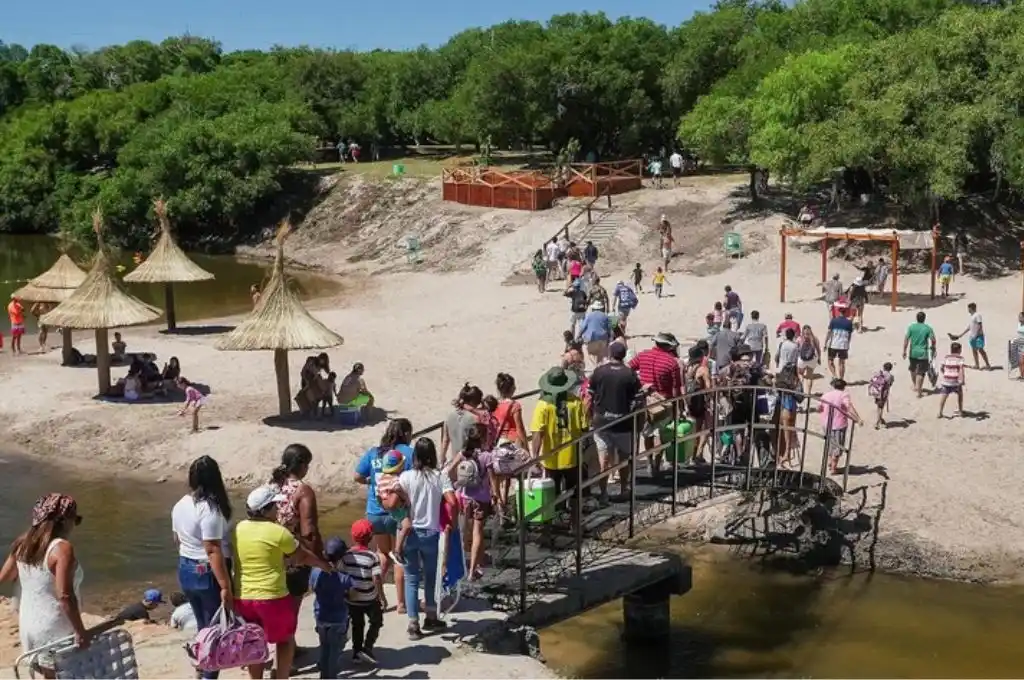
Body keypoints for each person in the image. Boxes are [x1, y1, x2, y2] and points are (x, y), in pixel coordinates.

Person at [234, 485, 333, 680]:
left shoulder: (238, 529)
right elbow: (302, 557)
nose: (278, 510)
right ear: (264, 510)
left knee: (255, 642)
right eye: (274, 506)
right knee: (285, 640)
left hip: (243, 597)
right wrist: (325, 566)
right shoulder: (278, 532)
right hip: (272, 597)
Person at [0, 493, 88, 676]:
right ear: (63, 520)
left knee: (48, 675)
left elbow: (5, 576)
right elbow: (64, 596)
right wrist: (80, 631)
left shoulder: (23, 543)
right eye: (75, 519)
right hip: (56, 626)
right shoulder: (61, 548)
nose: (75, 525)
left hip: (29, 624)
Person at [171, 456, 233, 678]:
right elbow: (212, 549)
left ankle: (201, 665)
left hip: (186, 568)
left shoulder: (180, 505)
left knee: (202, 626)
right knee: (215, 632)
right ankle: (208, 674)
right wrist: (225, 585)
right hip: (207, 571)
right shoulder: (210, 509)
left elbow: (176, 540)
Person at [397, 437, 459, 640]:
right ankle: (431, 616)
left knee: (411, 579)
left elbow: (396, 499)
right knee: (431, 578)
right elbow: (452, 501)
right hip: (431, 533)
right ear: (432, 455)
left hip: (410, 533)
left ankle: (413, 624)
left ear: (415, 456)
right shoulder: (440, 477)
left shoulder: (406, 477)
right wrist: (452, 522)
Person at [353, 419, 413, 613]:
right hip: (397, 512)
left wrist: (371, 481)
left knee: (382, 554)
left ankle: (376, 598)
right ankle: (402, 603)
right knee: (399, 556)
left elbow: (357, 476)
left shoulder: (374, 452)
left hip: (375, 511)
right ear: (406, 434)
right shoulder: (409, 453)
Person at [271, 444, 323, 613]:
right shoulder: (302, 490)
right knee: (291, 610)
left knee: (274, 608)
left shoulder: (272, 485)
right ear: (301, 465)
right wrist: (318, 559)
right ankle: (287, 639)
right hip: (293, 558)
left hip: (270, 554)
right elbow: (309, 532)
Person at [530, 367, 588, 515]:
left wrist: (535, 456)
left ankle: (550, 528)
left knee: (551, 495)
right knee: (574, 493)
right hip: (572, 456)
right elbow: (584, 427)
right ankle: (575, 524)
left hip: (551, 458)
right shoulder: (576, 402)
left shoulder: (543, 405)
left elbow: (537, 433)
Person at [588, 342, 642, 505]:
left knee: (603, 459)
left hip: (602, 422)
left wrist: (590, 416)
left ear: (610, 354)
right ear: (624, 355)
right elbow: (637, 399)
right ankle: (624, 489)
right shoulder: (629, 374)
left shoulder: (599, 372)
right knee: (624, 458)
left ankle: (604, 493)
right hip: (623, 423)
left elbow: (590, 396)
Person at [629, 333, 683, 476]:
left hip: (645, 401)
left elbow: (629, 369)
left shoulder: (643, 355)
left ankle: (649, 461)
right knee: (660, 434)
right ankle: (656, 465)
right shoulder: (672, 362)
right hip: (664, 401)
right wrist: (680, 406)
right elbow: (676, 387)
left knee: (647, 434)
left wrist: (640, 384)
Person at [448, 423, 496, 580]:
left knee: (464, 532)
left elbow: (449, 470)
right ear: (482, 438)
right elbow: (492, 479)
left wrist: (453, 484)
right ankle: (472, 571)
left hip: (464, 497)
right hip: (481, 499)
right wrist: (497, 496)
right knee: (477, 533)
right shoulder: (487, 456)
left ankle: (461, 565)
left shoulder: (464, 453)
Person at [310, 537, 354, 680]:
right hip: (338, 619)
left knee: (324, 646)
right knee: (334, 650)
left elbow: (312, 587)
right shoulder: (344, 578)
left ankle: (323, 674)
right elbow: (351, 594)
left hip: (320, 616)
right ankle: (331, 676)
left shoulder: (315, 572)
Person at [341, 520, 384, 665]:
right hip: (369, 597)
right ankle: (367, 647)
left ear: (352, 537)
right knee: (376, 621)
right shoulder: (372, 557)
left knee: (357, 625)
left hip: (352, 598)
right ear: (371, 537)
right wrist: (381, 596)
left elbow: (342, 574)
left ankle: (356, 652)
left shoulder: (346, 555)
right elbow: (376, 578)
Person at [493, 373, 528, 513]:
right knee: (518, 475)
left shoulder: (494, 405)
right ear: (512, 388)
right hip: (513, 442)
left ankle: (501, 506)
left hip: (498, 443)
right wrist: (526, 447)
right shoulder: (515, 405)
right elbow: (520, 428)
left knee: (500, 476)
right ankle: (515, 508)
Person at [374, 449, 411, 567]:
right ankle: (397, 549)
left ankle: (397, 547)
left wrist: (382, 504)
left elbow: (377, 494)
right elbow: (397, 489)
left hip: (388, 509)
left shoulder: (381, 479)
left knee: (400, 525)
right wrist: (406, 498)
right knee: (407, 525)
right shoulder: (395, 479)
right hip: (398, 508)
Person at [819, 379, 863, 474]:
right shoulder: (844, 395)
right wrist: (858, 418)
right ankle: (834, 468)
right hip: (839, 424)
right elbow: (849, 407)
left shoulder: (826, 395)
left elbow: (819, 408)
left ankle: (830, 462)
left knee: (830, 443)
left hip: (826, 423)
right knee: (838, 446)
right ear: (843, 387)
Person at [441, 384, 484, 465]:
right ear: (473, 401)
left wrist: (442, 459)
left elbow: (445, 441)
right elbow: (482, 444)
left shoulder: (449, 416)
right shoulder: (475, 419)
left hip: (454, 463)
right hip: (471, 464)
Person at [902, 311, 936, 398]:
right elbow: (933, 339)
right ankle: (919, 392)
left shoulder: (911, 327)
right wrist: (933, 347)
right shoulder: (928, 328)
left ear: (916, 318)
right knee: (920, 373)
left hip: (913, 352)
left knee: (912, 369)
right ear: (924, 318)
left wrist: (904, 350)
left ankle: (915, 386)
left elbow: (906, 339)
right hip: (923, 353)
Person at [953, 302, 991, 370]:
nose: (968, 310)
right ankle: (977, 365)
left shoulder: (977, 315)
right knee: (974, 350)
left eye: (969, 308)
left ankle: (988, 365)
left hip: (978, 336)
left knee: (981, 350)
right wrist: (961, 334)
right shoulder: (972, 316)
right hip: (973, 336)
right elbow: (969, 327)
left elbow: (980, 325)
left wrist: (976, 335)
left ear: (971, 308)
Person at [579, 299, 611, 371]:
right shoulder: (605, 316)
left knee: (589, 353)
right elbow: (609, 329)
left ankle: (596, 367)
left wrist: (578, 336)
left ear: (593, 308)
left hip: (592, 338)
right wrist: (609, 339)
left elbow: (583, 327)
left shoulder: (589, 316)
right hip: (603, 338)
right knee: (601, 355)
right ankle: (599, 367)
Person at [938, 342, 967, 418]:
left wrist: (945, 373)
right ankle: (960, 411)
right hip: (956, 381)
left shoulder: (946, 357)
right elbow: (961, 370)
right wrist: (962, 379)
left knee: (944, 396)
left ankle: (940, 412)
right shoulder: (960, 359)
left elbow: (941, 368)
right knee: (960, 395)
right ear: (959, 350)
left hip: (946, 380)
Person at [824, 309, 854, 380]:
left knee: (830, 360)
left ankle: (834, 376)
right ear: (846, 312)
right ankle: (841, 379)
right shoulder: (849, 322)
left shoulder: (833, 321)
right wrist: (848, 344)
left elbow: (829, 333)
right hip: (843, 345)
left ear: (838, 312)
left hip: (833, 344)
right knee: (842, 363)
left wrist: (825, 343)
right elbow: (849, 335)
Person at [869, 362, 895, 429]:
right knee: (881, 407)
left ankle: (880, 419)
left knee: (878, 407)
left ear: (883, 367)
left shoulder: (879, 373)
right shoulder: (890, 376)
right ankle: (877, 422)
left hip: (877, 392)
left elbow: (872, 380)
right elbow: (890, 384)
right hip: (884, 393)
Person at [797, 325, 822, 395]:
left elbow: (797, 349)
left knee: (800, 374)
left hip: (802, 359)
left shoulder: (800, 338)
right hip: (812, 359)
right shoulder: (815, 338)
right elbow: (818, 350)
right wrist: (819, 358)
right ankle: (809, 392)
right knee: (810, 376)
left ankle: (801, 389)